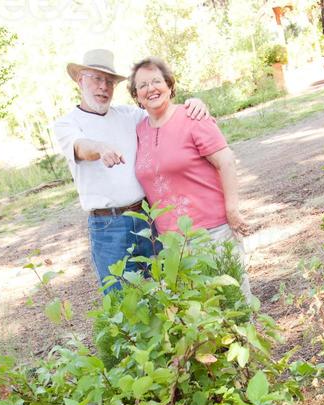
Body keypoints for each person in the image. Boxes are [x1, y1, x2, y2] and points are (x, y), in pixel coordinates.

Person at [53, 49, 209, 290]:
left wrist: (192, 104)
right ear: (79, 80)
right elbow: (80, 147)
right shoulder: (67, 123)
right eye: (96, 79)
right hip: (108, 226)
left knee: (167, 286)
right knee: (121, 296)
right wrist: (100, 148)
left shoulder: (129, 115)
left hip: (146, 216)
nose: (103, 87)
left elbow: (163, 111)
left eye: (109, 82)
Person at [129, 57, 252, 299]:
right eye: (142, 85)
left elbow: (226, 161)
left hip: (211, 232)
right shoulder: (140, 130)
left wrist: (232, 210)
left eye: (156, 81)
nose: (150, 89)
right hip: (173, 242)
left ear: (169, 85)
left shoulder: (192, 116)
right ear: (136, 95)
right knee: (197, 315)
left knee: (233, 304)